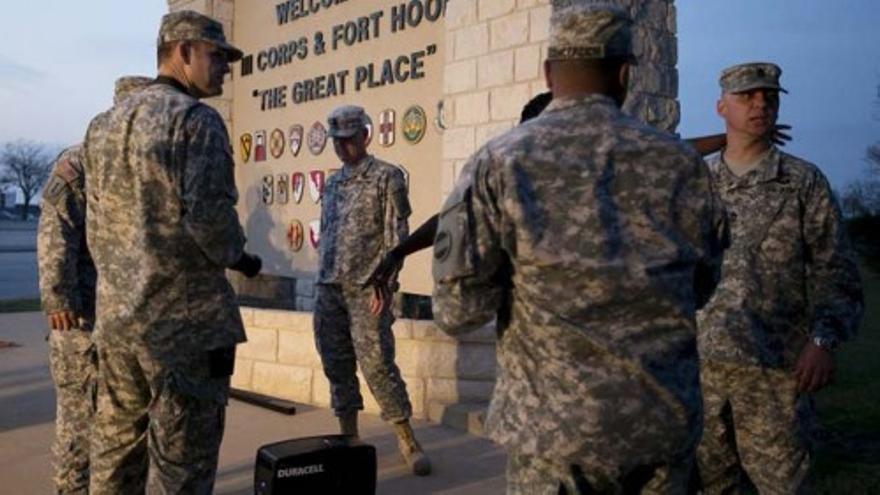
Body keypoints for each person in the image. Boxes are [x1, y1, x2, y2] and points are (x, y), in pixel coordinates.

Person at [431, 3, 728, 493]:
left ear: (548, 73)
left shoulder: (501, 162)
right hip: (660, 429)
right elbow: (701, 288)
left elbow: (459, 311)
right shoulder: (682, 166)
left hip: (553, 440)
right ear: (625, 73)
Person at [82, 11, 261, 494]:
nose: (225, 67)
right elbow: (212, 226)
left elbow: (96, 227)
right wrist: (242, 258)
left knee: (115, 460)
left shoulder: (102, 126)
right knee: (183, 467)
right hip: (182, 330)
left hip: (119, 324)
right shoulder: (195, 121)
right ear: (182, 51)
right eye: (216, 55)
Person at [695, 62, 864, 494]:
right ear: (721, 106)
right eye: (747, 97)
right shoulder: (696, 182)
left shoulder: (802, 182)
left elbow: (836, 270)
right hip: (701, 374)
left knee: (783, 487)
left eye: (769, 97)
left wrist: (823, 341)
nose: (760, 104)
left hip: (774, 372)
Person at [37, 75, 151, 494]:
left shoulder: (142, 166)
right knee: (80, 427)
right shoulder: (80, 162)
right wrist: (58, 295)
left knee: (128, 430)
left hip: (128, 322)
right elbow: (56, 230)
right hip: (81, 322)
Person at [313, 104, 431, 476]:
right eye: (337, 142)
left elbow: (397, 236)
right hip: (329, 289)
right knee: (336, 365)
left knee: (378, 364)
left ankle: (406, 437)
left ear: (365, 135)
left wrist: (387, 282)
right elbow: (330, 234)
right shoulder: (332, 183)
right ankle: (349, 437)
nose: (342, 148)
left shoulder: (387, 177)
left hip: (368, 289)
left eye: (348, 139)